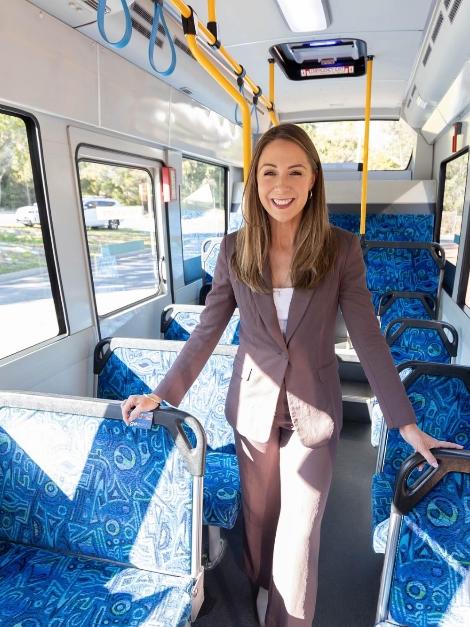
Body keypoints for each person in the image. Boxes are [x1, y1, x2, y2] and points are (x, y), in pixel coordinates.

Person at [121, 123, 462, 627]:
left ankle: (286, 617)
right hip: (254, 409)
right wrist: (162, 394)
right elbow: (207, 332)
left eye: (295, 172)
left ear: (313, 180)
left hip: (315, 411)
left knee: (300, 535)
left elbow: (369, 339)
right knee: (259, 522)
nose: (281, 185)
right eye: (269, 172)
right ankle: (262, 586)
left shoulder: (341, 249)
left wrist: (405, 424)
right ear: (255, 181)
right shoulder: (235, 249)